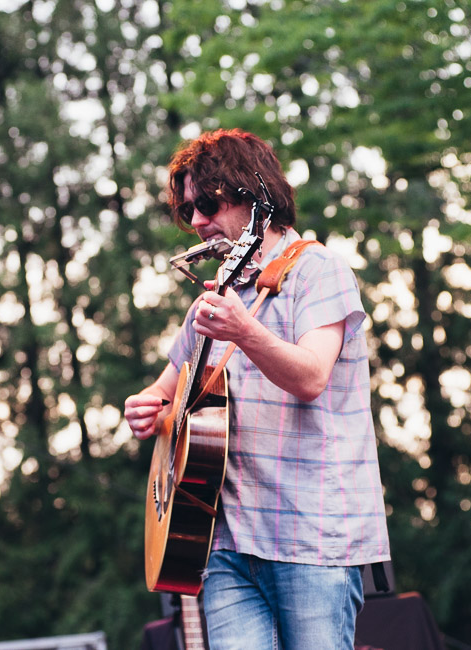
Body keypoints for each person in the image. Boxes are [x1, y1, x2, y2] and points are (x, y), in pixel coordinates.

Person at [125, 129, 390, 649]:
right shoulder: (215, 295)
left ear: (253, 192)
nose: (196, 221)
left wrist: (243, 329)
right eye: (187, 210)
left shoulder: (319, 269)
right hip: (222, 542)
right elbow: (166, 395)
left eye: (207, 202)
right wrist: (147, 410)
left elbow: (312, 377)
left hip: (310, 537)